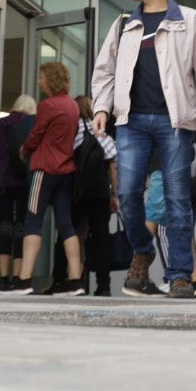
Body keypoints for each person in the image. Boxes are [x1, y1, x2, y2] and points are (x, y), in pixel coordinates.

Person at [90, 0, 196, 298]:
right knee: (126, 195)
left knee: (178, 199)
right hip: (131, 123)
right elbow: (105, 70)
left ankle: (179, 274)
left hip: (175, 123)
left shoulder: (191, 21)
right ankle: (142, 249)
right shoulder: (124, 22)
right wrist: (101, 107)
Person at [0, 63, 84, 296]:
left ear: (51, 80)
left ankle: (24, 279)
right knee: (66, 224)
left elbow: (35, 136)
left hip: (44, 170)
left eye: (42, 77)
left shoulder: (48, 106)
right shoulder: (73, 106)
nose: (39, 82)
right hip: (66, 171)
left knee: (32, 221)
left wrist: (24, 149)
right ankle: (75, 279)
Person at [72, 94, 118, 296]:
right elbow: (113, 167)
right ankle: (103, 286)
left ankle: (72, 280)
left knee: (72, 235)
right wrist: (115, 195)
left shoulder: (73, 133)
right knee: (101, 239)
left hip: (77, 193)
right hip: (99, 194)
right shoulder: (102, 135)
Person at [0, 95, 36, 286]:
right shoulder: (30, 124)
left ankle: (3, 278)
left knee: (4, 227)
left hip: (3, 182)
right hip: (23, 182)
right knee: (21, 228)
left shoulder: (2, 124)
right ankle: (18, 277)